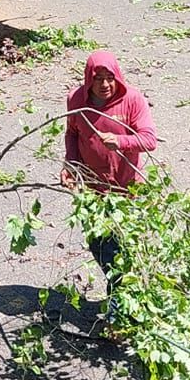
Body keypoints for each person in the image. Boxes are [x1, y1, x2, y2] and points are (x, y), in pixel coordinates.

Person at [62, 51, 157, 312]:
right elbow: (71, 133)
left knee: (121, 256)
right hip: (92, 191)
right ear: (88, 80)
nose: (104, 85)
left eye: (109, 78)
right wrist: (70, 164)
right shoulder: (76, 100)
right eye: (98, 79)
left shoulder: (131, 100)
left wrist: (121, 141)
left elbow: (149, 140)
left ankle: (120, 312)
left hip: (126, 192)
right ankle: (125, 301)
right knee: (99, 246)